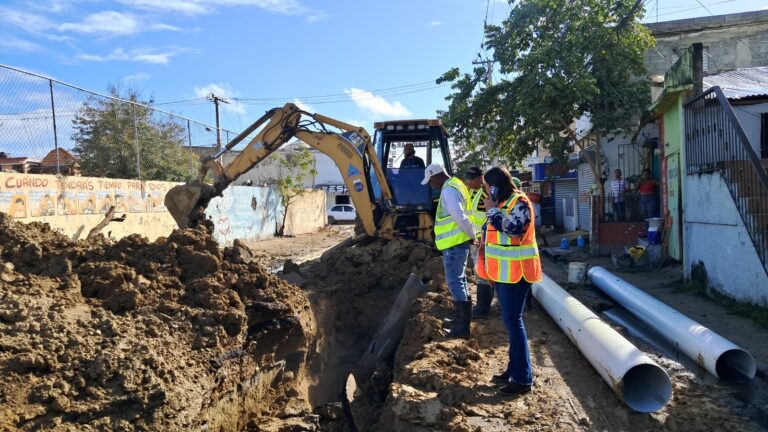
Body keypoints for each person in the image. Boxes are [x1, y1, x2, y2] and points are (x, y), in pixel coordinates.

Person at [481, 166, 542, 397]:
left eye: (488, 187)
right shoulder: (504, 204)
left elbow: (514, 230)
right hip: (504, 273)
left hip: (518, 273)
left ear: (496, 185)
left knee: (514, 322)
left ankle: (522, 378)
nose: (487, 192)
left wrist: (492, 213)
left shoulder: (519, 201)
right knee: (510, 322)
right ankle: (513, 369)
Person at [422, 163, 476, 338]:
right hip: (458, 243)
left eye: (431, 181)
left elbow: (460, 216)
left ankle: (461, 328)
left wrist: (472, 235)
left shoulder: (448, 191)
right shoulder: (456, 184)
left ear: (437, 176)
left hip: (455, 244)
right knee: (459, 280)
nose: (431, 185)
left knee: (455, 282)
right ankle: (462, 322)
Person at [463, 166, 494, 319]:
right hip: (475, 239)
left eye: (471, 179)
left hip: (484, 239)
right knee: (479, 272)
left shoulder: (487, 193)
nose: (468, 182)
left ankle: (483, 308)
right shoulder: (471, 192)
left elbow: (491, 216)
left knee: (483, 273)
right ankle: (483, 306)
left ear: (479, 178)